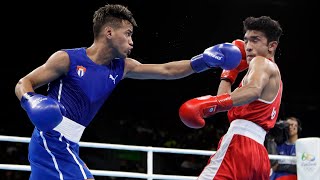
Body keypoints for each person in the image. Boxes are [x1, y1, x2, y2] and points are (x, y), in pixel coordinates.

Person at [14, 4, 242, 180]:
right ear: (109, 32)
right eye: (128, 33)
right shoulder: (67, 59)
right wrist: (31, 101)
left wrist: (202, 61)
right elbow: (24, 82)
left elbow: (167, 70)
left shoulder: (121, 67)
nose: (132, 42)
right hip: (51, 139)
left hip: (69, 143)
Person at [179, 15, 283, 179]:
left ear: (272, 46)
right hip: (258, 155)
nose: (248, 46)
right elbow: (225, 100)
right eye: (246, 40)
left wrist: (209, 103)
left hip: (239, 145)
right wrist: (229, 73)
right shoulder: (272, 73)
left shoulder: (261, 63)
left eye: (255, 40)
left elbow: (253, 90)